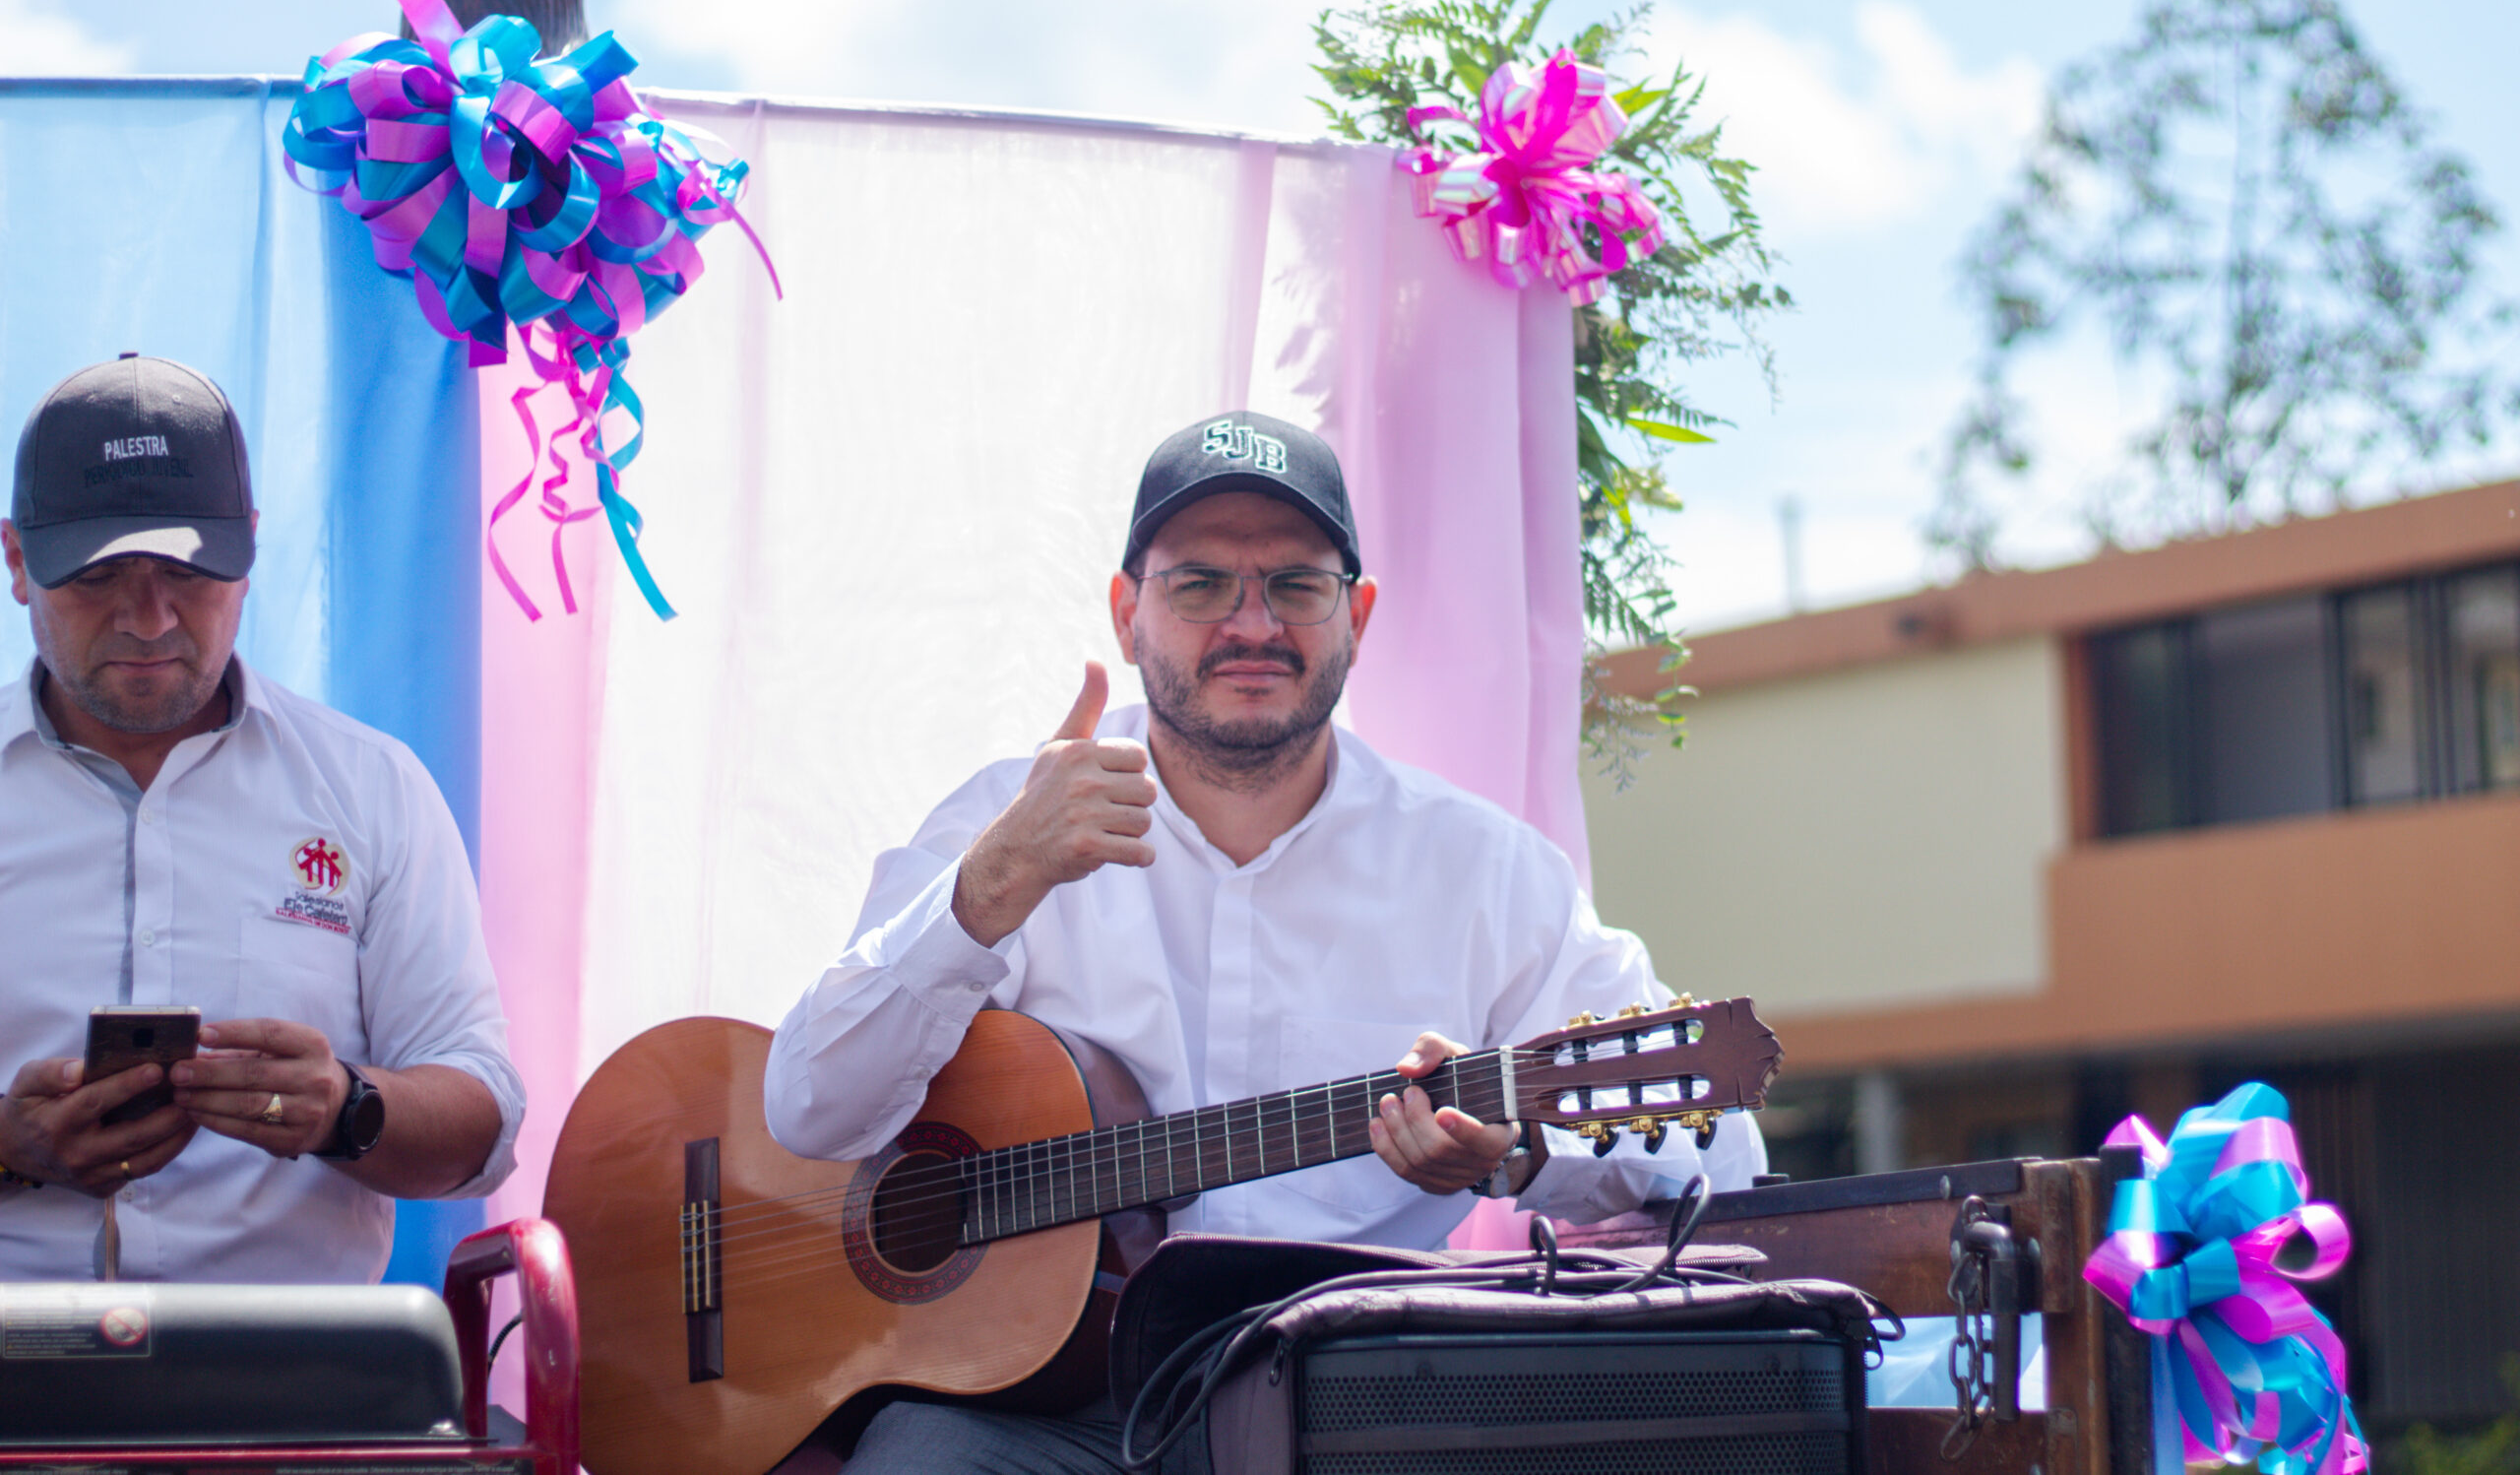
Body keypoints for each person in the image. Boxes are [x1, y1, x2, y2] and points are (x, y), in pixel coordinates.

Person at [766, 410, 1763, 1471]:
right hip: (1029, 1413)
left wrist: (1521, 1152)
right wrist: (987, 890)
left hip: (1344, 1406)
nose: (1251, 624)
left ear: (1357, 616)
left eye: (1295, 585)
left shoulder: (1484, 871)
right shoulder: (1008, 821)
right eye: (1199, 584)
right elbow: (809, 1106)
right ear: (1126, 611)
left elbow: (1717, 1147)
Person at [0, 353, 523, 1282]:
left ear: (248, 551)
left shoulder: (370, 789)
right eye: (99, 576)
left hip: (289, 1394)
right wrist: (8, 1145)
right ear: (16, 562)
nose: (151, 619)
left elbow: (479, 1125)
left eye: (188, 574)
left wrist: (346, 1109)